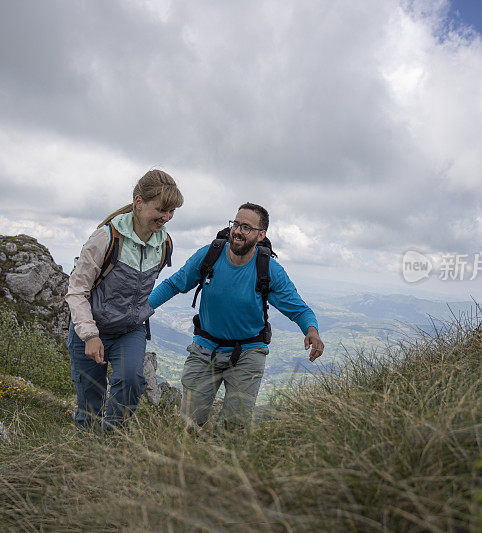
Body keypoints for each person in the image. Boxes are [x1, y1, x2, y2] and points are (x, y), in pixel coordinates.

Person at [149, 202, 324, 430]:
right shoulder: (210, 255)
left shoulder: (269, 269)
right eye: (236, 224)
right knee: (188, 424)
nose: (238, 231)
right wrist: (140, 310)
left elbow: (299, 309)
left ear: (261, 235)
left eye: (246, 227)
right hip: (205, 348)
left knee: (234, 428)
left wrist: (311, 330)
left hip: (248, 352)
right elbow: (174, 284)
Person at [65, 170, 183, 430]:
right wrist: (89, 334)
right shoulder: (106, 238)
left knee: (132, 381)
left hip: (130, 330)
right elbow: (77, 289)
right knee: (90, 404)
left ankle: (113, 439)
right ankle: (86, 456)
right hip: (92, 329)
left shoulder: (164, 244)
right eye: (162, 209)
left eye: (172, 211)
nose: (166, 217)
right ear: (139, 202)